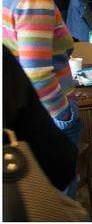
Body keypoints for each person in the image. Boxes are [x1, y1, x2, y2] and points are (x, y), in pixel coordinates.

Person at [2, 0, 81, 197]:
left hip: (22, 117)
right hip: (49, 118)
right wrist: (65, 114)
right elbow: (36, 73)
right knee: (61, 197)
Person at [3, 46, 78, 192]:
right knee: (56, 202)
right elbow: (37, 73)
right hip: (52, 120)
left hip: (39, 120)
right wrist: (64, 115)